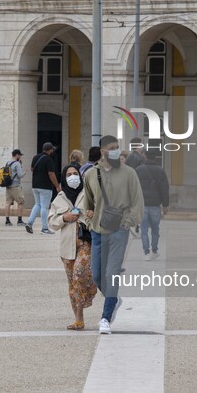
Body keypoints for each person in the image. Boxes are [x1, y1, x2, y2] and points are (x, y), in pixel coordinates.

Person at [83, 135, 144, 334]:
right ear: (102, 151)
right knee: (97, 273)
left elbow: (137, 201)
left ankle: (105, 318)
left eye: (118, 147)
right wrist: (90, 218)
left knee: (112, 273)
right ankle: (113, 299)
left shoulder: (129, 173)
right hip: (98, 230)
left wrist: (128, 223)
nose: (116, 150)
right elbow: (88, 203)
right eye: (112, 147)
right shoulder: (92, 174)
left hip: (119, 230)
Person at [48, 165, 97, 331]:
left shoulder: (87, 194)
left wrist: (91, 215)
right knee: (72, 283)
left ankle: (91, 289)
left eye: (75, 173)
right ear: (64, 178)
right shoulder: (59, 198)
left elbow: (99, 212)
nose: (72, 177)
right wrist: (64, 217)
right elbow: (51, 223)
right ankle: (78, 319)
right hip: (67, 247)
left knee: (79, 273)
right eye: (69, 174)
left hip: (85, 242)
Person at [136, 148, 169, 260]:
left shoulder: (138, 170)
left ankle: (146, 252)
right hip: (155, 205)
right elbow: (164, 189)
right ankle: (154, 250)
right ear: (155, 157)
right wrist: (165, 205)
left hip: (142, 205)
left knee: (143, 230)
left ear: (145, 156)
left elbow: (134, 188)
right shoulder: (160, 170)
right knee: (155, 229)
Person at [24, 142, 61, 235]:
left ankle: (29, 222)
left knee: (37, 204)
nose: (53, 150)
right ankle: (44, 228)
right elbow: (51, 174)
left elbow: (32, 169)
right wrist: (57, 186)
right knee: (44, 207)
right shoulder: (49, 160)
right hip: (45, 186)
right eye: (52, 149)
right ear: (50, 150)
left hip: (35, 185)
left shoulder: (35, 157)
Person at [4, 149, 26, 226]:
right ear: (17, 155)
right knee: (20, 202)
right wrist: (24, 172)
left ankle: (7, 221)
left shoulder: (7, 163)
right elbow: (20, 175)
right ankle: (19, 221)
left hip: (8, 186)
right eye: (20, 155)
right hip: (16, 186)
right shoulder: (17, 164)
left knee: (8, 203)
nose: (20, 156)